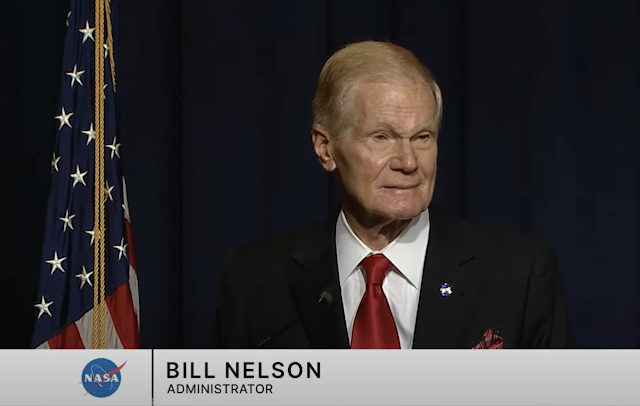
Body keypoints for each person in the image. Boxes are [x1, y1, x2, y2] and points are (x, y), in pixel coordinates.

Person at [211, 40, 574, 349]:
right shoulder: (255, 281)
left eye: (422, 137)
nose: (408, 162)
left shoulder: (519, 274)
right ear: (325, 147)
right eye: (381, 137)